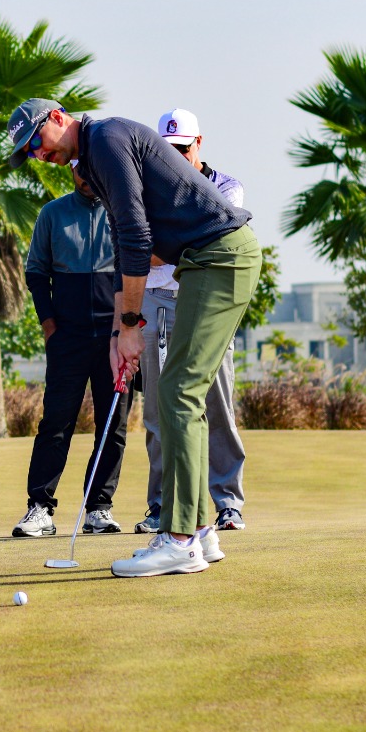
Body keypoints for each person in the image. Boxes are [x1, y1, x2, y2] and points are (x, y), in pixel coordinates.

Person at [9, 98, 259, 577]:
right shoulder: (93, 157)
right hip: (202, 262)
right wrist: (118, 332)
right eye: (29, 153)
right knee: (179, 393)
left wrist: (128, 324)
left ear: (58, 118)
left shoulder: (105, 140)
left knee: (179, 392)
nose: (38, 154)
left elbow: (136, 236)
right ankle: (199, 532)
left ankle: (179, 540)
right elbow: (132, 246)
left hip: (220, 257)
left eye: (36, 141)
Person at [135, 109, 247, 536]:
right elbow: (140, 250)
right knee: (158, 410)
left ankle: (227, 503)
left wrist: (165, 246)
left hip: (208, 305)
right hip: (156, 301)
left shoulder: (228, 187)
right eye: (169, 150)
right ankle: (162, 505)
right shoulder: (145, 188)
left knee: (217, 405)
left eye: (183, 148)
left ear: (199, 142)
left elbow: (207, 244)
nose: (177, 156)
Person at [12, 166, 133, 537]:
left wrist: (128, 330)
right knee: (56, 423)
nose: (86, 176)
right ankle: (39, 508)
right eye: (79, 169)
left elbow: (137, 271)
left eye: (92, 169)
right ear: (71, 170)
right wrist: (50, 326)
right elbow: (36, 272)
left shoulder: (123, 212)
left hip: (115, 337)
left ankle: (99, 508)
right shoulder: (53, 213)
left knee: (113, 424)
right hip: (67, 337)